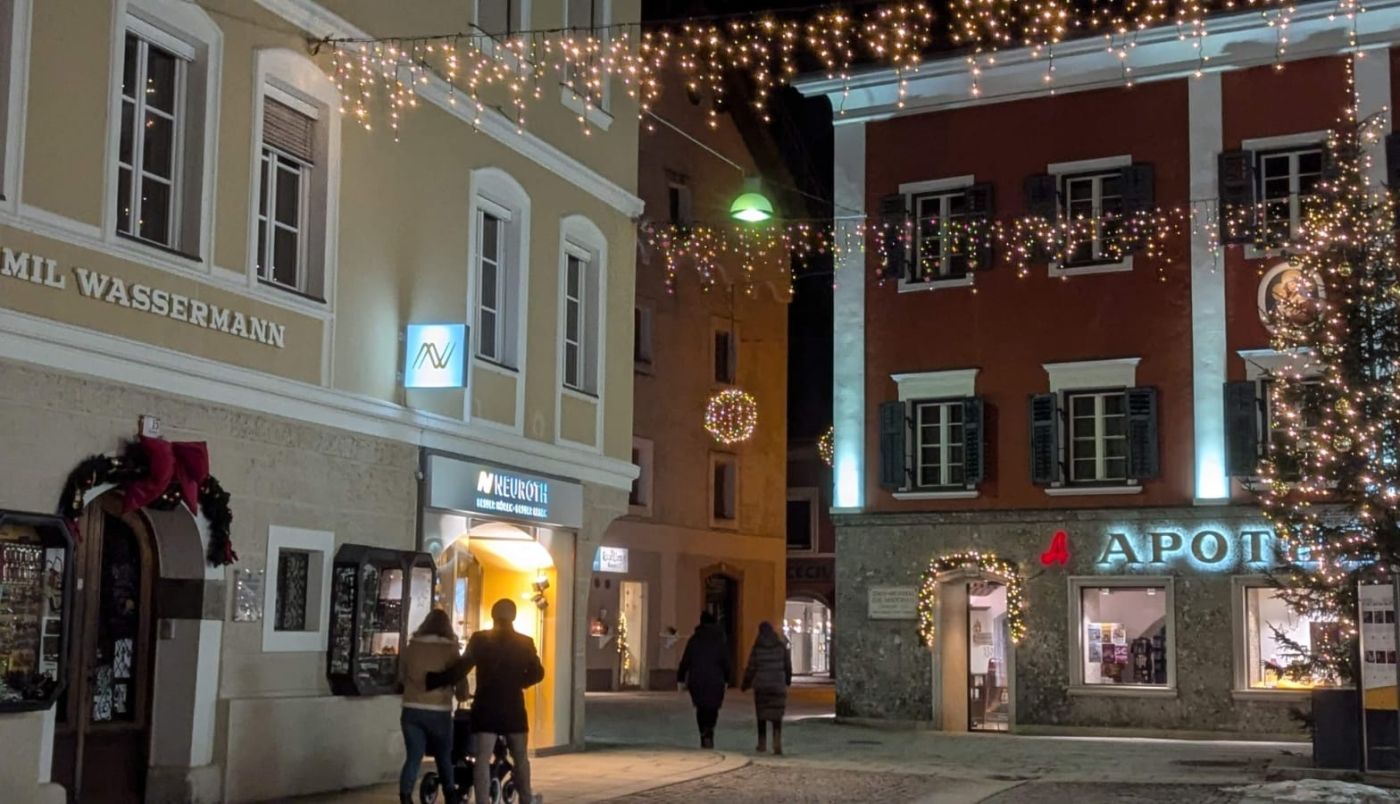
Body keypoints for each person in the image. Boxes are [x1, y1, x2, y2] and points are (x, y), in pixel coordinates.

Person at [453, 598, 545, 804]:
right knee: (520, 757)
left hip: (485, 706)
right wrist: (520, 682)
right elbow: (538, 672)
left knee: (482, 758)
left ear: (493, 615)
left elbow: (462, 666)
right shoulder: (525, 642)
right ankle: (526, 798)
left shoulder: (479, 639)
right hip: (513, 707)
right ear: (513, 617)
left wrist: (443, 680)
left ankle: (482, 801)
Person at [398, 609, 469, 804]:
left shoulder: (411, 646)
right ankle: (450, 795)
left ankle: (405, 796)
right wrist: (462, 695)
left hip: (411, 709)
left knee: (413, 757)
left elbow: (401, 677)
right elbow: (458, 678)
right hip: (439, 710)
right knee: (443, 756)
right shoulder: (450, 648)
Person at [677, 611, 731, 749]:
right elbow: (726, 662)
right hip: (716, 680)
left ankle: (703, 733)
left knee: (701, 708)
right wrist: (727, 679)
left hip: (697, 679)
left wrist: (681, 678)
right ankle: (709, 730)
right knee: (713, 707)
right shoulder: (720, 640)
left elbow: (685, 660)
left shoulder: (694, 639)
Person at [741, 621, 792, 755]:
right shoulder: (781, 647)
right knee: (777, 717)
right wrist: (787, 680)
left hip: (762, 686)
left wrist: (745, 684)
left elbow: (751, 668)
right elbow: (787, 665)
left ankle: (762, 743)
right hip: (777, 686)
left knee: (761, 716)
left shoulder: (758, 648)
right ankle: (777, 743)